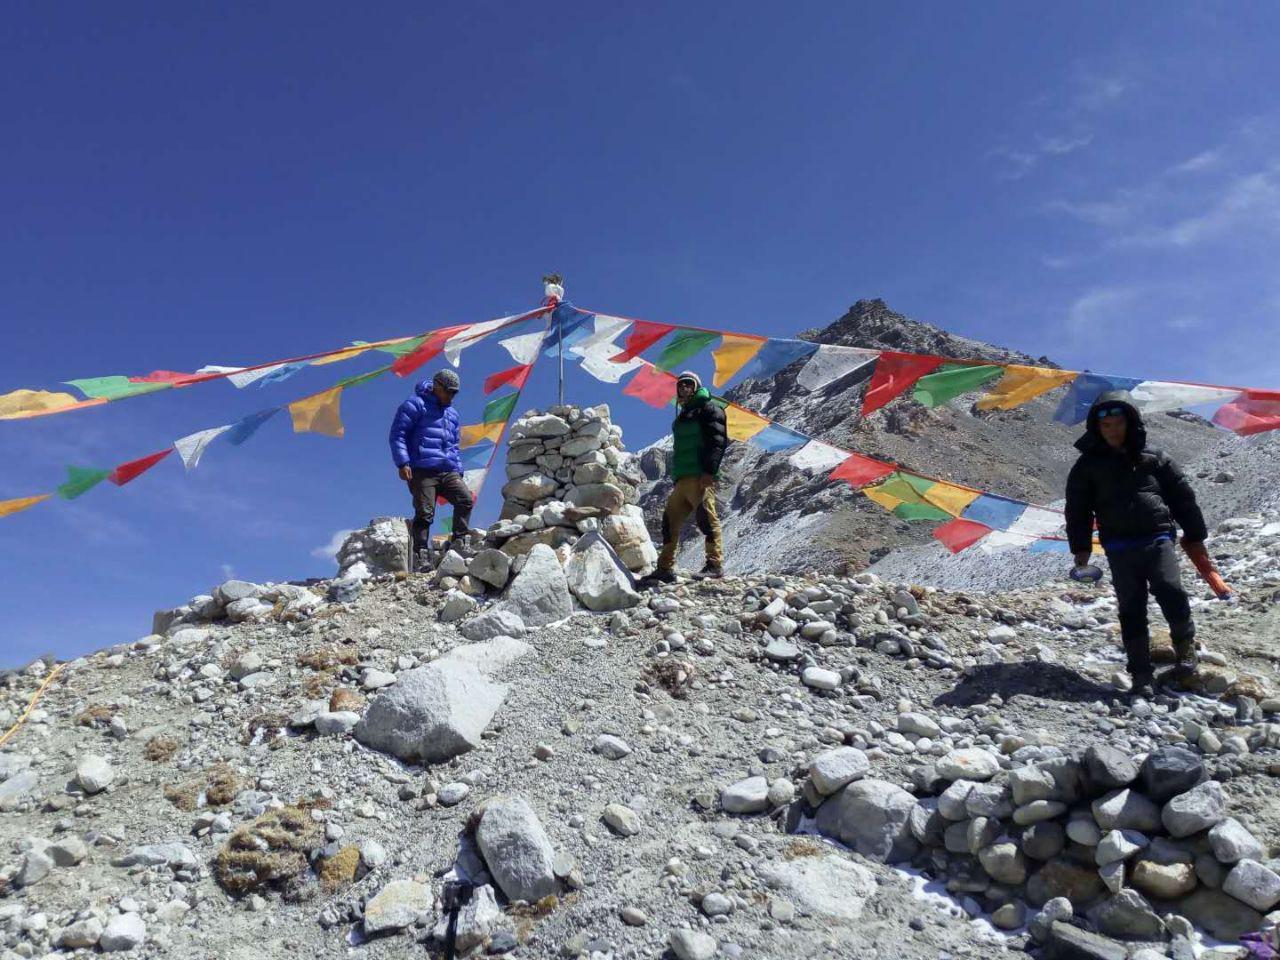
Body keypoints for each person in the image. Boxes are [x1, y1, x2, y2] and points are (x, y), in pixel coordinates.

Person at [1065, 390, 1208, 697]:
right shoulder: (1087, 466)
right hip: (1118, 546)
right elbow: (1078, 510)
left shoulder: (1155, 458)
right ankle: (1141, 673)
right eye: (1106, 425)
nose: (1113, 430)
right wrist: (1081, 549)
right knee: (1131, 606)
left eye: (1118, 423)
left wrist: (1195, 533)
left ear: (1131, 423)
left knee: (1170, 589)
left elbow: (1182, 497)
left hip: (1157, 537)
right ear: (1097, 428)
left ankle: (1185, 652)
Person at [644, 370, 728, 583]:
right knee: (669, 522)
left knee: (707, 518)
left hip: (700, 475)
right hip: (681, 478)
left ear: (697, 386)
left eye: (688, 384)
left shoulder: (709, 408)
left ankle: (715, 565)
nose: (683, 387)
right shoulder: (683, 414)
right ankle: (665, 568)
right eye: (680, 385)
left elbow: (717, 441)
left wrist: (709, 471)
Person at [389, 369, 473, 570]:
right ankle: (421, 555)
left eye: (454, 392)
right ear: (437, 387)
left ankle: (459, 543)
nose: (451, 396)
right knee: (425, 512)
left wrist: (458, 469)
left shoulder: (452, 414)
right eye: (448, 391)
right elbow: (398, 434)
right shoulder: (415, 404)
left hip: (448, 469)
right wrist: (403, 462)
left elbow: (454, 445)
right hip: (421, 468)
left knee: (465, 500)